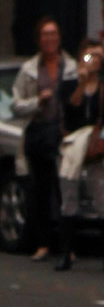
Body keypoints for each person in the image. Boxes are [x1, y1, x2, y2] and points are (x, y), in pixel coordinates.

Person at [11, 17, 77, 262]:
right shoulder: (29, 69)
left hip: (62, 134)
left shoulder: (71, 66)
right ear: (39, 39)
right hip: (38, 132)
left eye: (54, 34)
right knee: (40, 190)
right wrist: (37, 101)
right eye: (45, 35)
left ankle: (67, 246)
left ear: (59, 38)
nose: (50, 39)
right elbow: (16, 104)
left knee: (64, 189)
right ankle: (43, 243)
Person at [55, 39, 104, 271]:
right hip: (74, 145)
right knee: (69, 195)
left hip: (95, 146)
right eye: (88, 56)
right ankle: (66, 252)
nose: (92, 60)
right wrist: (81, 84)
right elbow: (69, 112)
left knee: (100, 196)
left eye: (97, 57)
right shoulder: (70, 84)